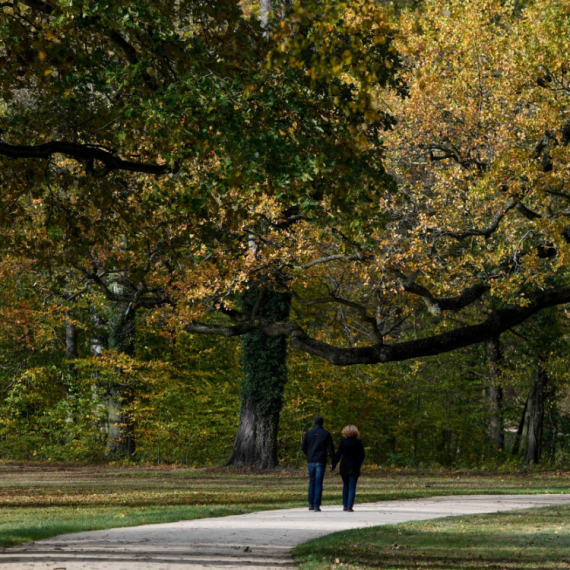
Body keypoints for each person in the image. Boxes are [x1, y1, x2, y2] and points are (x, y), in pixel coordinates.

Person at [301, 416, 335, 512]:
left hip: (311, 460)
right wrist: (333, 461)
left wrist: (308, 454)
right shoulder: (326, 434)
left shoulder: (309, 433)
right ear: (322, 423)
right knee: (319, 482)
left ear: (314, 422)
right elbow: (330, 449)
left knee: (312, 481)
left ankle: (310, 503)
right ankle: (317, 505)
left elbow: (303, 446)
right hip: (321, 460)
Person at [331, 424, 365, 512]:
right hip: (354, 466)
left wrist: (333, 464)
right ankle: (350, 506)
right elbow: (362, 455)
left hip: (344, 466)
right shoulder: (358, 442)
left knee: (345, 486)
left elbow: (338, 454)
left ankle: (345, 505)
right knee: (352, 487)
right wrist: (359, 464)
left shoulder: (343, 442)